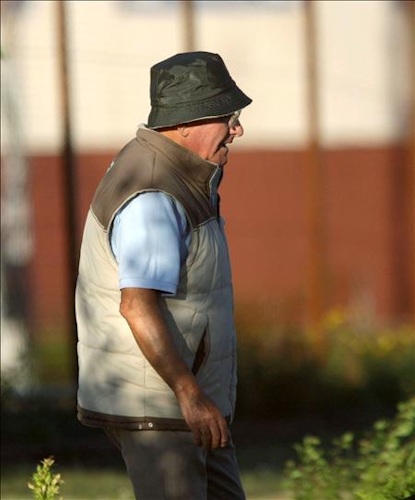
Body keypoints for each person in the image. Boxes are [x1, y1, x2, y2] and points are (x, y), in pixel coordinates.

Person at [75, 51, 252, 499]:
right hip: (163, 407)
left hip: (188, 405)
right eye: (227, 117)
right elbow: (137, 305)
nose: (237, 130)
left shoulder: (179, 174)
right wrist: (188, 393)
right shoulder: (154, 195)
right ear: (186, 123)